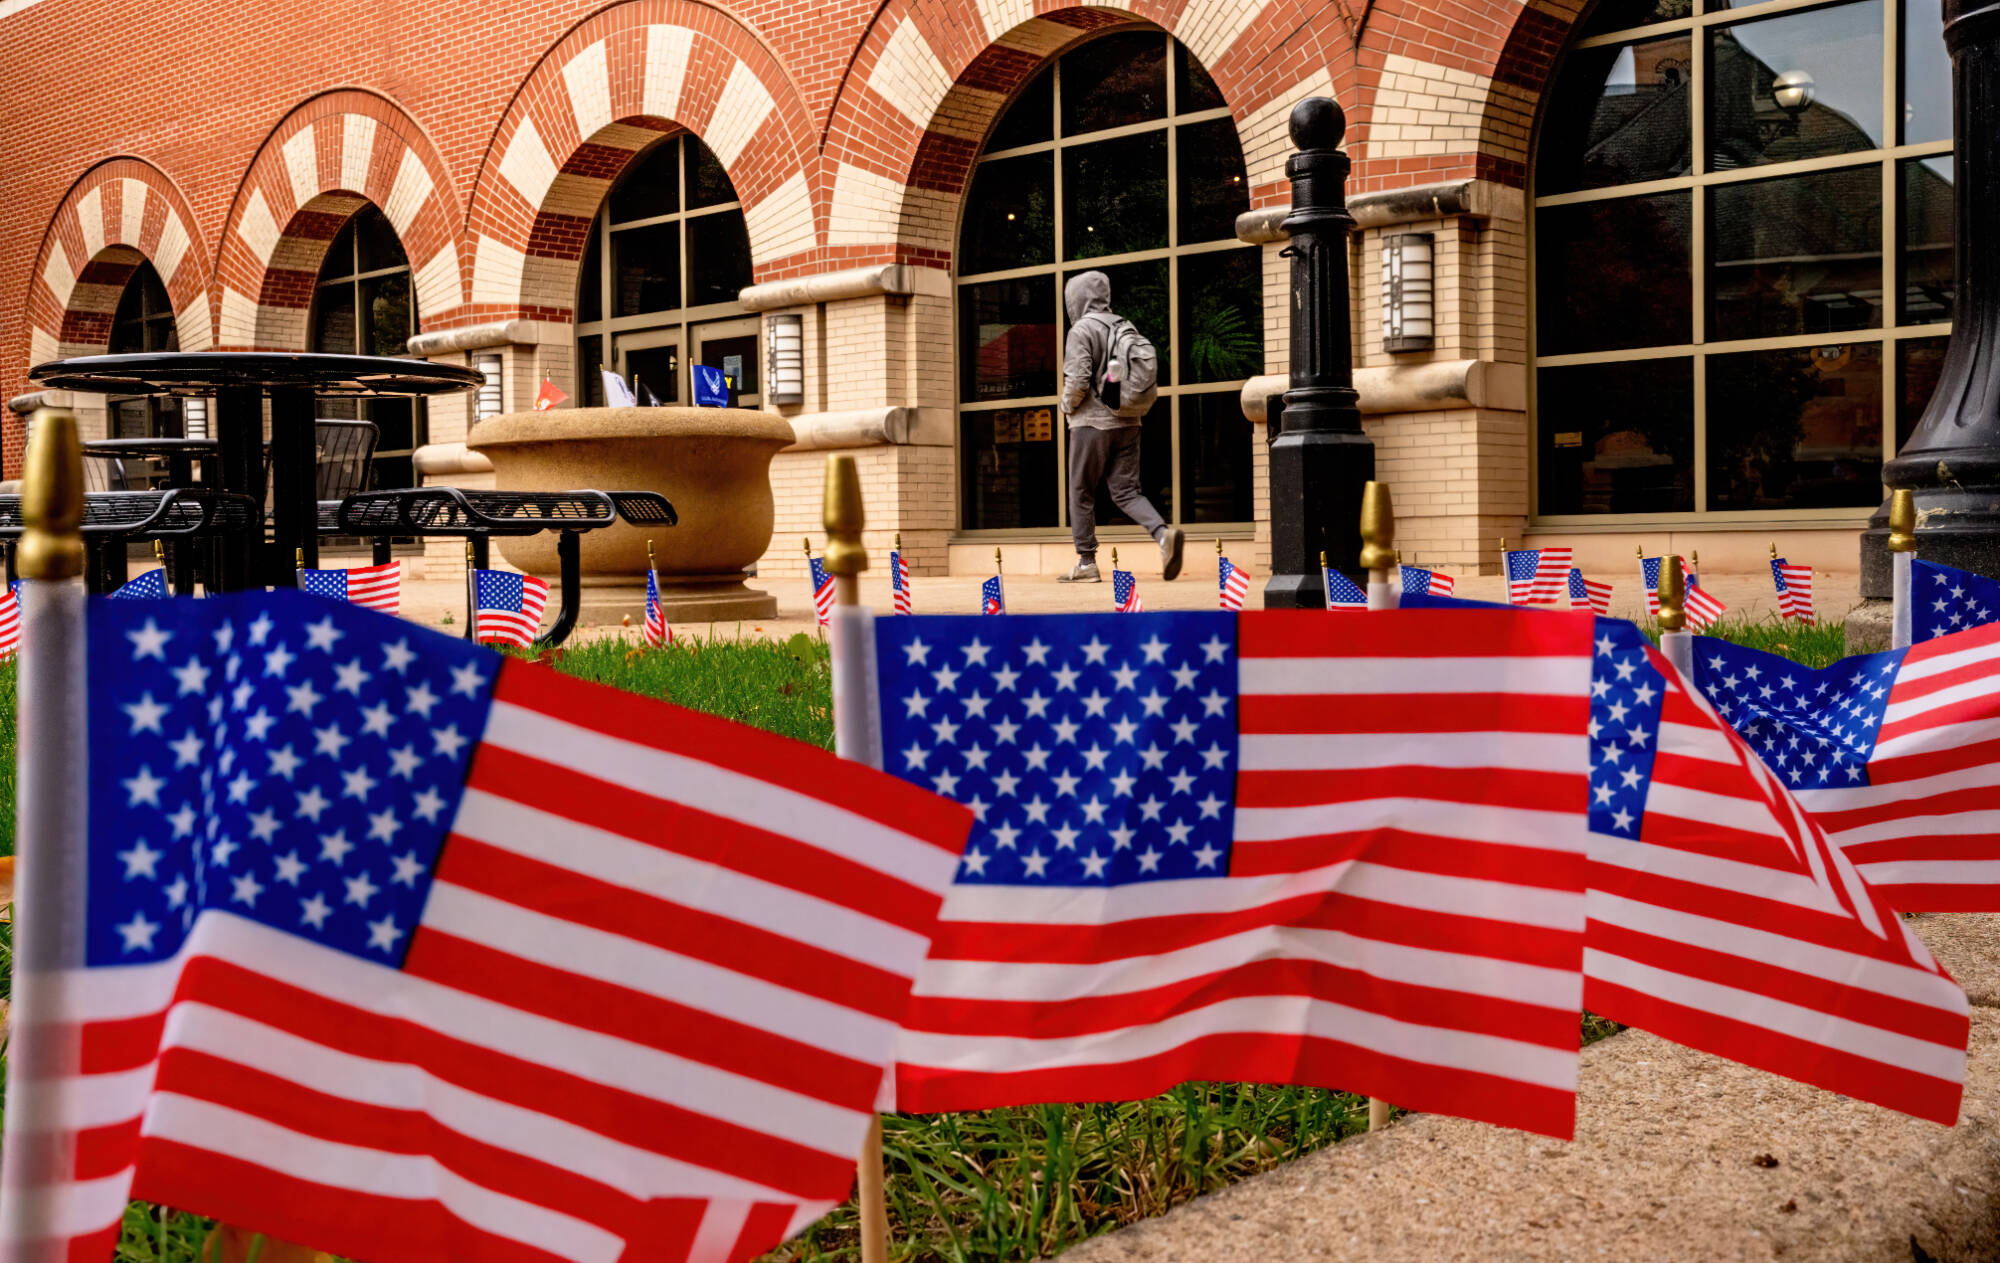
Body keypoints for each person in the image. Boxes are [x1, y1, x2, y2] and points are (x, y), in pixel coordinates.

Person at [1058, 270, 1183, 584]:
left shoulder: (1081, 330)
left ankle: (1086, 562)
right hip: (1129, 421)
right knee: (1127, 492)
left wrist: (1065, 406)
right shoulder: (1125, 325)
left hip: (1091, 425)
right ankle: (1162, 535)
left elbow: (1078, 381)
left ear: (1075, 299)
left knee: (1081, 491)